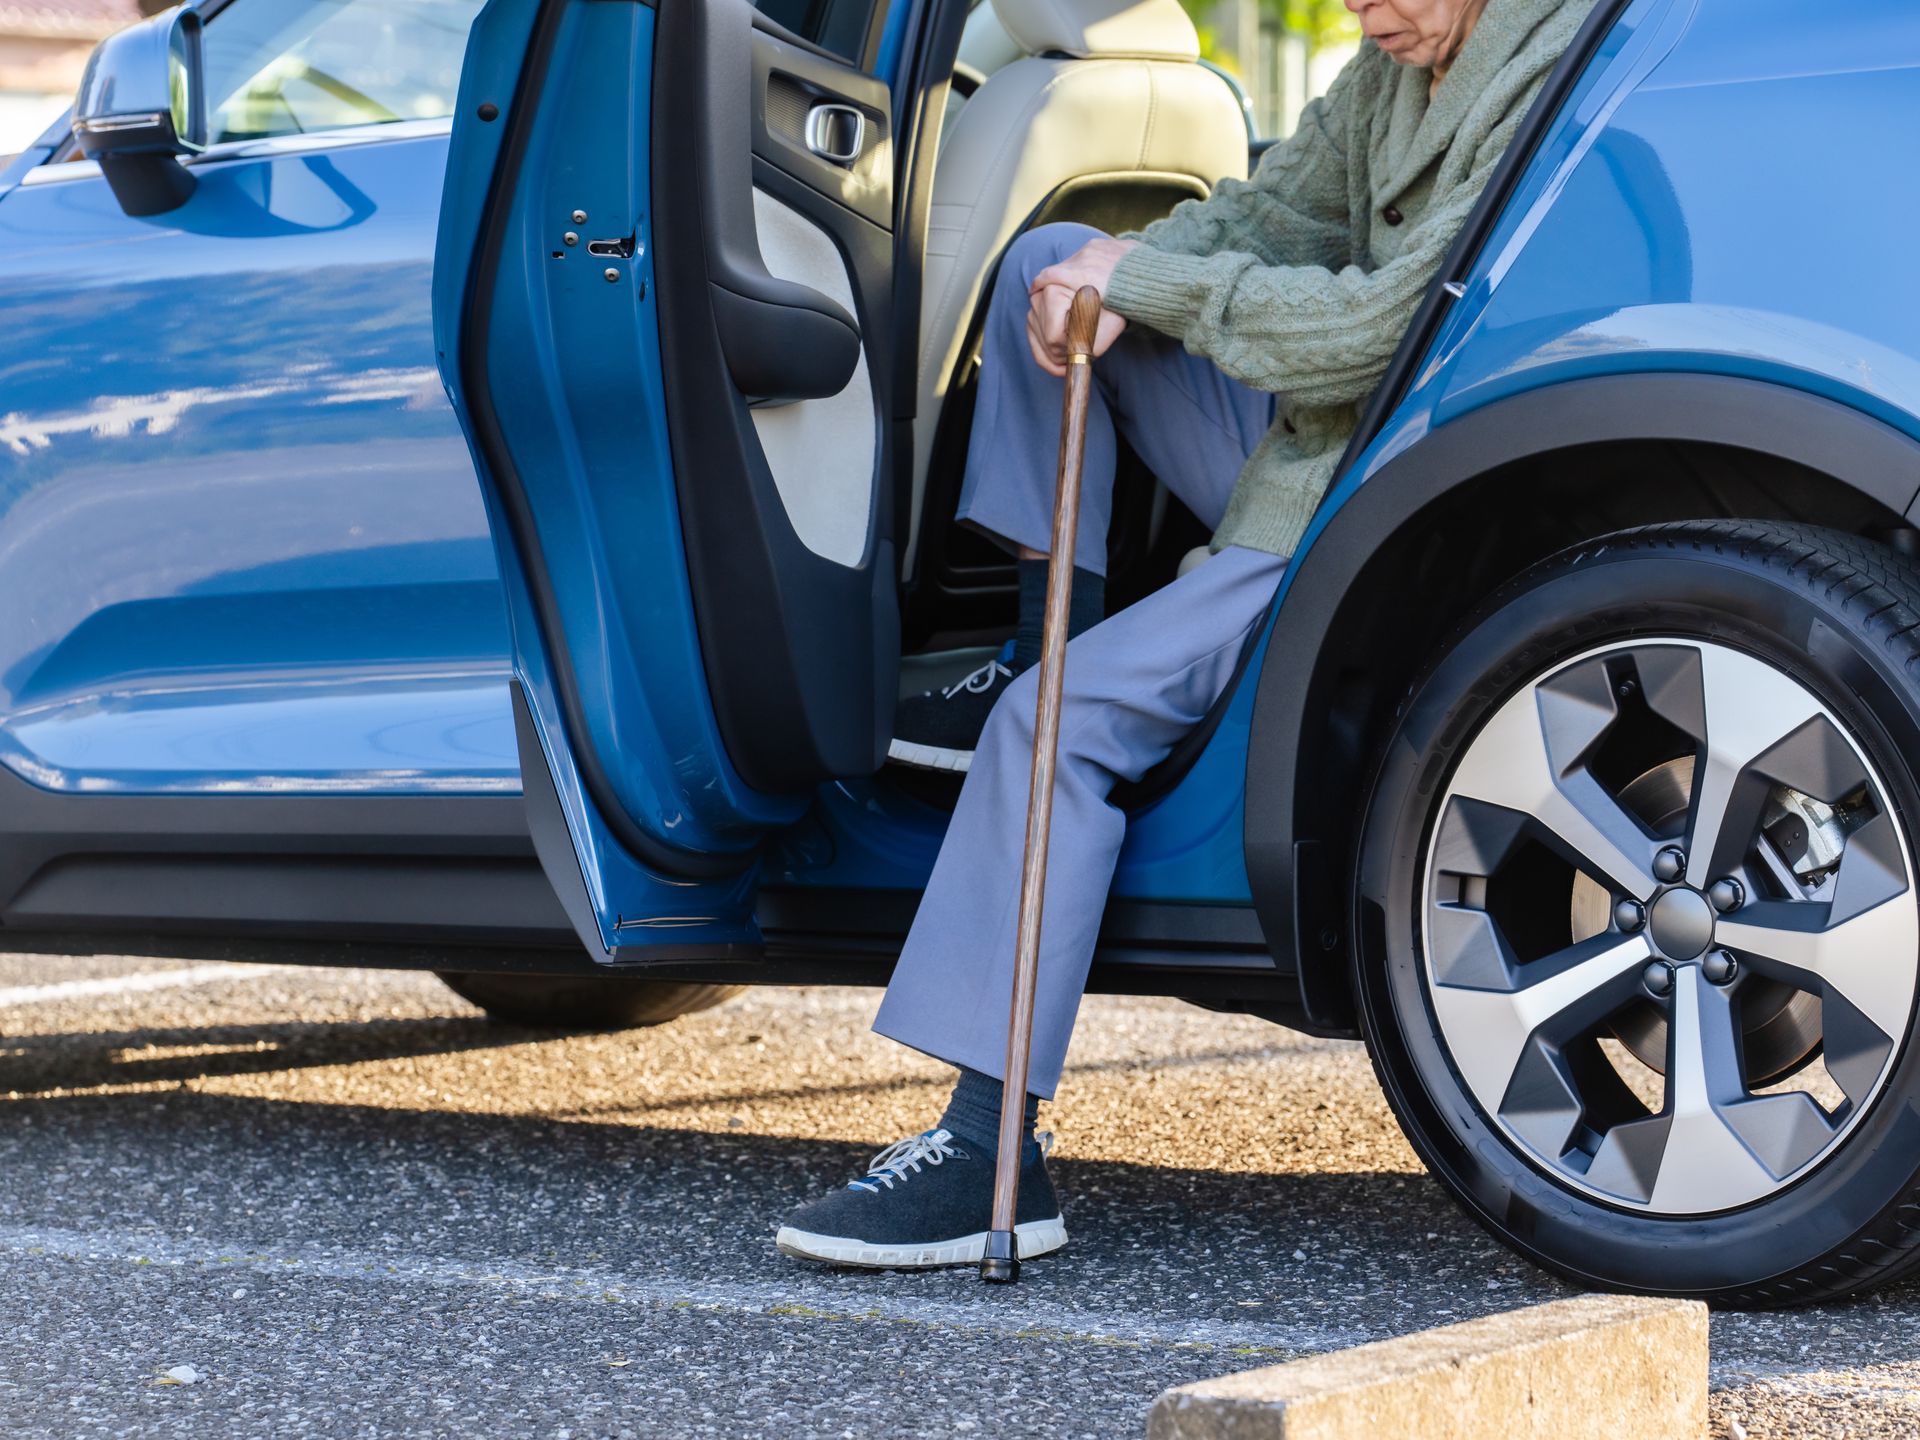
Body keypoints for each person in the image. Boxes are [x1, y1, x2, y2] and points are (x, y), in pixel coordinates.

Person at [776, 0, 1595, 1269]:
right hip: (1319, 442)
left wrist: (1148, 283)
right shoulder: (1395, 71)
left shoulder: (1551, 59)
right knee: (1050, 258)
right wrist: (1105, 279)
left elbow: (1390, 329)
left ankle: (992, 1159)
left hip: (1369, 498)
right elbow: (1263, 224)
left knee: (1055, 726)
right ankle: (1044, 623)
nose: (1366, 13)